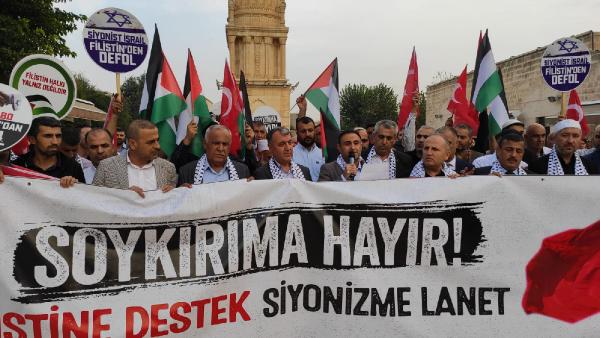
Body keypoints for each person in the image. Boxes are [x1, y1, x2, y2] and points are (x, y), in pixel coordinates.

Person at [93, 120, 177, 197]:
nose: (158, 146)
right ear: (132, 144)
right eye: (151, 142)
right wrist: (124, 197)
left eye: (157, 140)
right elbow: (94, 200)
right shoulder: (106, 167)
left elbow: (173, 205)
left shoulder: (168, 168)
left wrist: (176, 193)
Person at [13, 117, 84, 187]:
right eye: (48, 136)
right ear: (32, 139)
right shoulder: (18, 165)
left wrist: (74, 186)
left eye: (58, 136)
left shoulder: (73, 167)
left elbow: (84, 195)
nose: (55, 142)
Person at [178, 125, 250, 186]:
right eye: (216, 143)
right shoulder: (186, 172)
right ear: (205, 144)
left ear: (229, 147)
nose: (220, 149)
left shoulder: (242, 171)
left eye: (224, 144)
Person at [528, 119, 597, 175]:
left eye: (575, 136)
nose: (570, 141)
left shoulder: (589, 166)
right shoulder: (537, 166)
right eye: (565, 135)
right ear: (554, 138)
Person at [293, 116, 323, 182]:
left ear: (314, 131)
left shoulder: (323, 154)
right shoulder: (290, 154)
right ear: (297, 132)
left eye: (310, 130)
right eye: (303, 131)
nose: (307, 134)